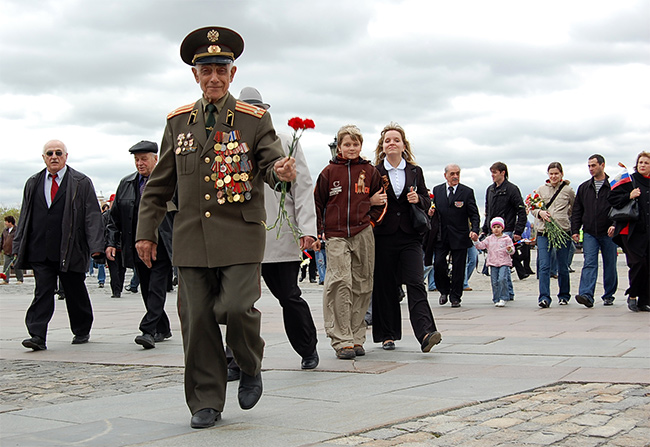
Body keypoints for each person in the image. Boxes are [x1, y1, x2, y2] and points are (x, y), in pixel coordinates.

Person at [134, 27, 296, 429]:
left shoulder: (253, 119)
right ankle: (206, 400)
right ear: (195, 75)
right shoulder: (178, 122)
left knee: (237, 307)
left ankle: (248, 363)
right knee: (198, 320)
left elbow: (271, 164)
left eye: (221, 69)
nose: (213, 78)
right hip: (191, 237)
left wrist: (280, 172)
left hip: (240, 235)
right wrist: (145, 231)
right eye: (205, 70)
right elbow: (160, 183)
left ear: (232, 73)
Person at [226, 86, 318, 373]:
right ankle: (235, 359)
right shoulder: (229, 141)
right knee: (236, 302)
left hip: (277, 231)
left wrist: (307, 228)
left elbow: (302, 186)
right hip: (240, 232)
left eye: (258, 111)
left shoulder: (285, 139)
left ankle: (307, 347)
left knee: (288, 295)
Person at [13, 140, 104, 351]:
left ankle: (81, 328)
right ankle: (37, 334)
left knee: (74, 290)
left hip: (70, 247)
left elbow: (92, 215)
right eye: (49, 153)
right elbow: (25, 216)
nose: (54, 156)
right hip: (40, 248)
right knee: (42, 290)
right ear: (43, 157)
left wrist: (96, 246)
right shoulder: (33, 182)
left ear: (66, 156)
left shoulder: (81, 182)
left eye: (58, 153)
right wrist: (18, 247)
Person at [314, 124, 383, 359]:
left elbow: (381, 201)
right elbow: (318, 203)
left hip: (363, 231)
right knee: (339, 282)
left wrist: (370, 222)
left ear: (360, 146)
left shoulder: (370, 171)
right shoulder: (328, 172)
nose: (351, 148)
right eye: (347, 144)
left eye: (355, 144)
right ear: (340, 147)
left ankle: (356, 336)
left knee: (363, 284)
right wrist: (319, 231)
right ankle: (341, 339)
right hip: (335, 234)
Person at [371, 122, 441, 352]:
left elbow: (426, 198)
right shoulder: (375, 171)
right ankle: (387, 334)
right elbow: (367, 199)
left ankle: (426, 332)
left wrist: (418, 200)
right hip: (383, 235)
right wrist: (373, 202)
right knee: (386, 286)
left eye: (396, 140)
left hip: (410, 235)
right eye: (387, 140)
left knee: (415, 281)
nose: (392, 143)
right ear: (382, 146)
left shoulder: (414, 171)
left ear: (403, 145)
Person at [107, 141, 174, 348]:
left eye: (144, 159)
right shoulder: (126, 184)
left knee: (156, 287)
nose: (139, 163)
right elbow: (114, 217)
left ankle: (148, 330)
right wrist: (111, 242)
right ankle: (163, 327)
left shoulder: (170, 182)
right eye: (136, 159)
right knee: (146, 288)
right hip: (136, 245)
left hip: (162, 244)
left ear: (156, 159)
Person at [571, 154, 618, 308]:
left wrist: (615, 224)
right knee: (589, 263)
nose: (591, 169)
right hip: (590, 231)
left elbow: (619, 207)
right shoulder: (584, 187)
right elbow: (577, 210)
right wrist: (575, 230)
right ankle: (586, 295)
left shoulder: (613, 185)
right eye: (589, 166)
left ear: (602, 165)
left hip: (609, 232)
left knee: (610, 264)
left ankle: (609, 294)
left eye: (594, 165)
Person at [431, 164, 480, 308]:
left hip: (460, 235)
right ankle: (444, 290)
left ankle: (455, 296)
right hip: (442, 235)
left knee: (459, 267)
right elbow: (434, 208)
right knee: (439, 263)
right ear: (445, 175)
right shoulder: (437, 190)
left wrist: (475, 230)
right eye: (452, 174)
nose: (455, 176)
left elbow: (474, 214)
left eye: (458, 173)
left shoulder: (467, 192)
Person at [609, 151, 650, 312]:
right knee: (637, 263)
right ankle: (632, 295)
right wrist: (629, 195)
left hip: (647, 231)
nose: (642, 165)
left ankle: (644, 300)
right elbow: (612, 198)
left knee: (647, 265)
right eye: (640, 162)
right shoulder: (630, 180)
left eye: (646, 163)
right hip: (630, 230)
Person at [531, 162, 575, 308]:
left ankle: (564, 295)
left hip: (562, 230)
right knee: (544, 265)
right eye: (551, 174)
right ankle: (544, 297)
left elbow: (574, 209)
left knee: (562, 265)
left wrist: (564, 219)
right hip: (544, 231)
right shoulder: (541, 189)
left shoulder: (568, 190)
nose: (554, 176)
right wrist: (540, 213)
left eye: (556, 173)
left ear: (561, 174)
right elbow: (533, 207)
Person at [482, 161, 527, 291]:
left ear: (503, 173)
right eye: (491, 173)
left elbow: (521, 211)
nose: (492, 175)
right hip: (493, 229)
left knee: (502, 261)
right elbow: (488, 210)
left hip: (506, 229)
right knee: (497, 261)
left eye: (495, 173)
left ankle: (505, 292)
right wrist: (485, 229)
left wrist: (518, 230)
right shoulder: (490, 189)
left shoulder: (512, 189)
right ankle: (509, 291)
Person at [474, 217, 515, 307]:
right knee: (494, 281)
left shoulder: (506, 238)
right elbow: (481, 246)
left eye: (498, 227)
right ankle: (496, 298)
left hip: (504, 262)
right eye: (494, 227)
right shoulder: (489, 239)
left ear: (502, 228)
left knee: (502, 279)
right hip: (493, 263)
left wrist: (509, 249)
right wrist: (476, 240)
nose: (496, 229)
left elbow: (512, 251)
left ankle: (504, 297)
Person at [102, 198, 126, 298]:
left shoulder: (106, 215)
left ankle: (116, 290)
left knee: (116, 269)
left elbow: (102, 230)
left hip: (112, 245)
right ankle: (118, 288)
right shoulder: (124, 214)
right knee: (120, 269)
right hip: (119, 246)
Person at [1, 216, 23, 284]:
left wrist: (18, 250)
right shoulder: (5, 231)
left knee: (17, 266)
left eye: (6, 222)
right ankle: (5, 280)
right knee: (6, 266)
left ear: (10, 222)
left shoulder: (17, 230)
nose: (5, 223)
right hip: (6, 251)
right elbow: (2, 241)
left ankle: (20, 279)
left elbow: (19, 241)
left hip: (15, 251)